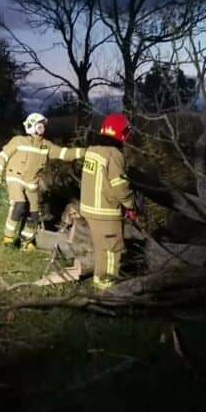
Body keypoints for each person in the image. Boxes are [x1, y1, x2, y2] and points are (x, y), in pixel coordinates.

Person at [0, 112, 85, 250]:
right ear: (32, 126)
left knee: (34, 214)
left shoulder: (46, 146)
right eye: (40, 126)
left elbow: (66, 153)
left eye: (43, 126)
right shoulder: (18, 141)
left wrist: (87, 152)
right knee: (19, 204)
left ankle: (26, 240)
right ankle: (8, 237)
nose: (43, 129)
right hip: (14, 178)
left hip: (31, 182)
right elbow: (3, 155)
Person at [79, 113, 137, 289]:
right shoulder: (114, 154)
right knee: (113, 250)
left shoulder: (92, 150)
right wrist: (130, 205)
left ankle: (99, 283)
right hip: (105, 212)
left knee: (101, 248)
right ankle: (109, 290)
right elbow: (120, 185)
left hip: (89, 209)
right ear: (121, 133)